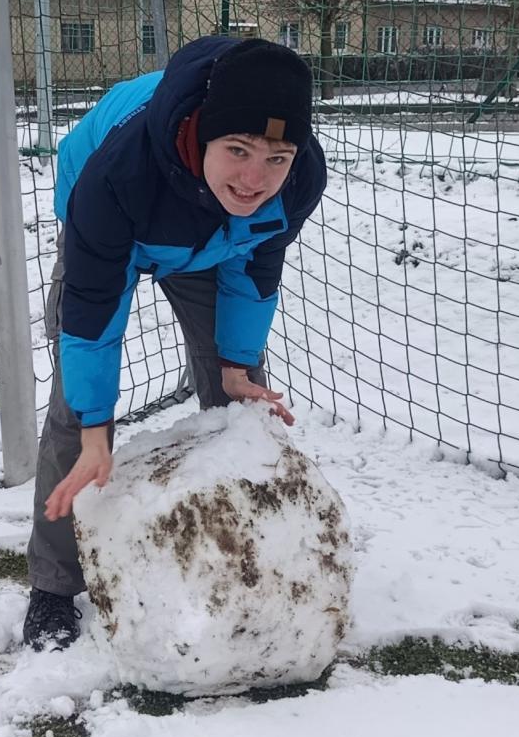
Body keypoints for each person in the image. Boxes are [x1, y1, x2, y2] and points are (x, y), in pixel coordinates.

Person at [24, 35, 327, 649]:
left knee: (238, 396)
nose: (254, 178)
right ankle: (54, 585)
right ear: (205, 135)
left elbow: (256, 265)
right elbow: (92, 316)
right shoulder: (116, 177)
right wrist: (94, 425)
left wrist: (237, 364)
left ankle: (250, 543)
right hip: (121, 225)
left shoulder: (294, 182)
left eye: (276, 157)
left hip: (213, 240)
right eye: (238, 150)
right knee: (78, 413)